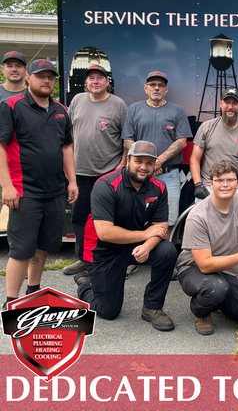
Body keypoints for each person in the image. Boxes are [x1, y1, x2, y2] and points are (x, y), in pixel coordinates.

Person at [75, 141, 177, 330]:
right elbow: (105, 233)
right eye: (139, 161)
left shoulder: (159, 188)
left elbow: (161, 228)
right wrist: (145, 234)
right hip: (103, 251)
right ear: (128, 160)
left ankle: (152, 307)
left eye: (149, 163)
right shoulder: (105, 185)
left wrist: (147, 246)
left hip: (135, 245)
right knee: (108, 311)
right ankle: (85, 285)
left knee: (167, 251)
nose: (144, 167)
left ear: (155, 165)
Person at [0, 59, 78, 307]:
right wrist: (7, 186)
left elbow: (66, 147)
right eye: (40, 76)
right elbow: (1, 146)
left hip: (54, 192)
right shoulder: (11, 106)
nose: (46, 80)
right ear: (28, 78)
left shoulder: (61, 110)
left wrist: (72, 181)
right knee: (21, 250)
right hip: (24, 192)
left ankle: (32, 292)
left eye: (50, 77)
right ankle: (11, 302)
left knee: (43, 245)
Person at [176, 160, 238, 335]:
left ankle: (220, 301)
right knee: (216, 288)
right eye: (219, 180)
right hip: (194, 269)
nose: (225, 185)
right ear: (210, 184)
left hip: (228, 272)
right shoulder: (198, 216)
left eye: (230, 180)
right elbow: (205, 264)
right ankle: (201, 311)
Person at [63, 64, 128, 276]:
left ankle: (111, 259)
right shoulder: (77, 101)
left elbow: (127, 140)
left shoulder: (118, 105)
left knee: (110, 219)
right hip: (80, 172)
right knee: (80, 218)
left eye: (100, 78)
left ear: (107, 82)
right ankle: (83, 258)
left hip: (108, 173)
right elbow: (70, 133)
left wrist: (121, 166)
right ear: (86, 82)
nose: (96, 81)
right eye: (91, 78)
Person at [122, 71, 192, 234]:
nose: (156, 88)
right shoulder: (134, 109)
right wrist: (147, 165)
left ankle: (163, 256)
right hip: (139, 175)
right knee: (136, 216)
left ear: (166, 89)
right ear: (146, 88)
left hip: (169, 175)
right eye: (152, 85)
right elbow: (127, 141)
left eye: (160, 85)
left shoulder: (177, 110)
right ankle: (139, 254)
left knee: (168, 221)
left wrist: (157, 162)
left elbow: (182, 141)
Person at [190, 88, 238, 200]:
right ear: (220, 104)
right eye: (227, 102)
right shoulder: (206, 127)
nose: (230, 107)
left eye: (234, 103)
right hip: (209, 189)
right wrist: (198, 185)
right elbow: (194, 159)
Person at [0, 51, 28, 215]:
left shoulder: (33, 95)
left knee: (18, 219)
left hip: (22, 170)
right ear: (3, 69)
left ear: (25, 70)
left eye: (18, 66)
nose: (14, 69)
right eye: (10, 66)